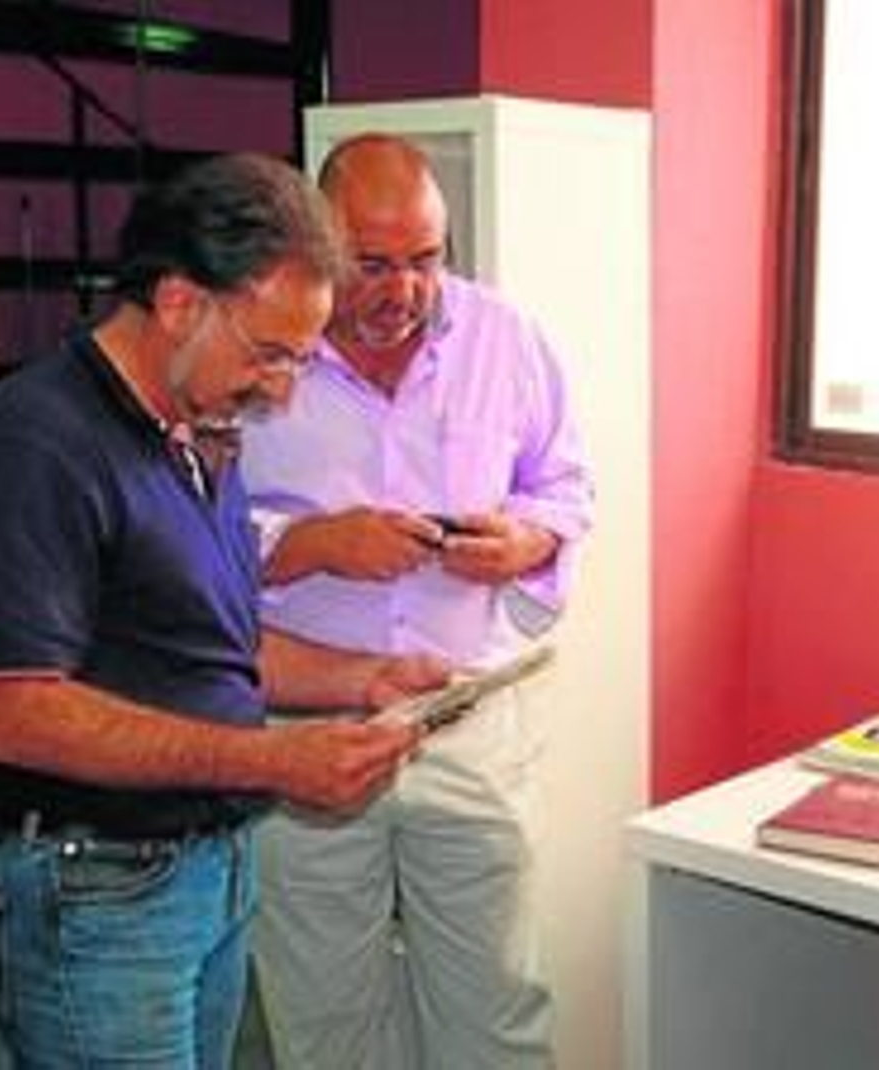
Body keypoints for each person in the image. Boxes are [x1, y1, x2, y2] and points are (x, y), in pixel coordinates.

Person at [0, 152, 450, 1069]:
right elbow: (16, 715)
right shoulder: (33, 443)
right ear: (178, 303)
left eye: (300, 360)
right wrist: (271, 759)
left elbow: (213, 645)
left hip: (204, 872)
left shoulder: (198, 427)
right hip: (90, 891)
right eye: (270, 355)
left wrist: (364, 680)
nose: (283, 390)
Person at [239, 133, 594, 1070]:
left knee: (499, 1007)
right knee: (327, 1017)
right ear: (317, 242)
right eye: (373, 263)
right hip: (301, 724)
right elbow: (181, 541)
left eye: (426, 260)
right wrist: (310, 545)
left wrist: (528, 538)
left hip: (467, 719)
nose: (403, 290)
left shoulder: (505, 337)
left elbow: (565, 487)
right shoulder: (255, 343)